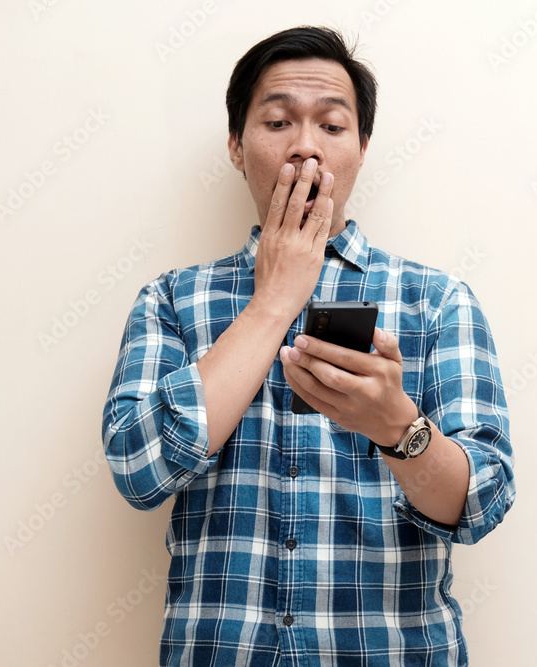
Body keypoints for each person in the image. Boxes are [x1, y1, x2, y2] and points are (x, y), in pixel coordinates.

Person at [102, 25, 515, 666]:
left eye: (331, 125)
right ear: (237, 146)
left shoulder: (436, 302)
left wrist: (398, 428)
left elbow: (481, 501)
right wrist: (273, 303)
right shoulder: (172, 300)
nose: (305, 147)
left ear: (362, 147)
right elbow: (138, 469)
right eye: (277, 123)